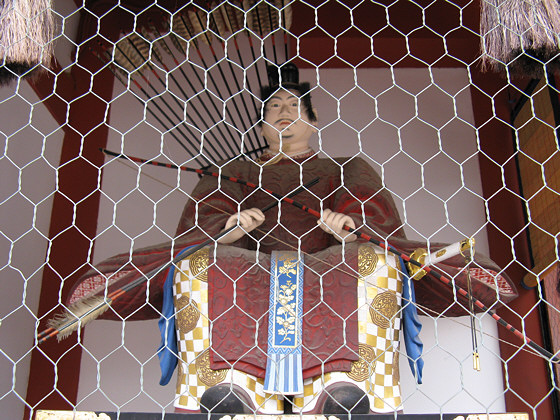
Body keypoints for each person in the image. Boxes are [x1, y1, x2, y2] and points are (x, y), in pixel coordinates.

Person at [68, 63, 518, 414]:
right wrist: (230, 227)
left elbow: (375, 220)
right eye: (273, 110)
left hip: (330, 265)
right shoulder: (235, 172)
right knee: (201, 264)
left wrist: (349, 226)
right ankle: (229, 383)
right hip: (246, 267)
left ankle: (346, 381)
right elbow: (197, 227)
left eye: (293, 108)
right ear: (260, 126)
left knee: (371, 262)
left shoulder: (346, 167)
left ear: (314, 119)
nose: (283, 115)